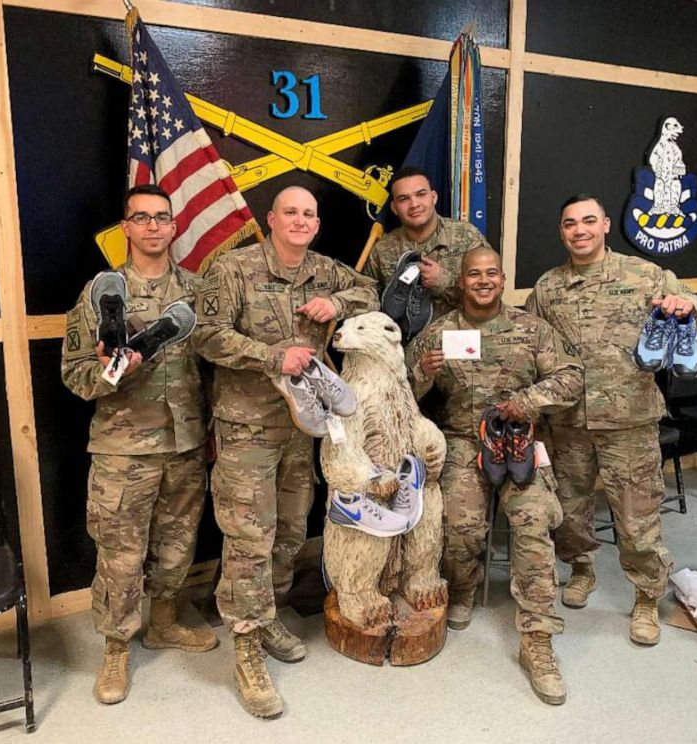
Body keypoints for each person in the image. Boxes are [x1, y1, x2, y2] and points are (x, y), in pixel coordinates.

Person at [192, 185, 379, 719]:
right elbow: (205, 336)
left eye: (308, 214)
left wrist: (338, 303)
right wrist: (270, 355)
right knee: (249, 535)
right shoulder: (233, 270)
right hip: (247, 426)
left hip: (305, 426)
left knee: (293, 529)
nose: (299, 220)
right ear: (269, 219)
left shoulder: (324, 269)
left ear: (316, 225)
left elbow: (370, 291)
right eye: (289, 212)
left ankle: (268, 611)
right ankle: (246, 647)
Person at [525, 193, 697, 646]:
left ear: (606, 224)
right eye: (570, 223)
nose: (579, 230)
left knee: (637, 516)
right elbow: (529, 342)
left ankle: (647, 596)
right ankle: (582, 570)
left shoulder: (645, 274)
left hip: (628, 419)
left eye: (588, 221)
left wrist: (688, 307)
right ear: (561, 231)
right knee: (569, 511)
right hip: (567, 422)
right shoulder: (548, 287)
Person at [61, 184, 218, 705]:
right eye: (142, 218)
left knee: (178, 546)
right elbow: (75, 375)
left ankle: (165, 622)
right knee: (121, 555)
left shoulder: (197, 293)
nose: (153, 226)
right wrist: (113, 372)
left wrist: (216, 428)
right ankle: (115, 648)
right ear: (125, 228)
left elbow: (214, 369)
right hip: (123, 448)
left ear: (175, 227)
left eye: (162, 218)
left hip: (187, 441)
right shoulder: (101, 294)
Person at [407, 246, 582, 705]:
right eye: (473, 275)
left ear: (503, 280)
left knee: (534, 520)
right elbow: (402, 388)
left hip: (519, 437)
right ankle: (462, 588)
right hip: (463, 440)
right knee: (460, 527)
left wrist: (529, 401)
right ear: (460, 282)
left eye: (491, 274)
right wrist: (423, 374)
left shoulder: (531, 330)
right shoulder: (438, 332)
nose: (483, 281)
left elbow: (570, 377)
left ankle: (538, 639)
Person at [363, 166, 492, 323]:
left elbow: (489, 296)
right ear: (394, 208)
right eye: (404, 199)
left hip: (459, 338)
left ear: (434, 197)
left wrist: (444, 281)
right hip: (403, 343)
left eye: (421, 194)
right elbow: (369, 302)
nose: (414, 204)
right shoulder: (382, 250)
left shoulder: (467, 237)